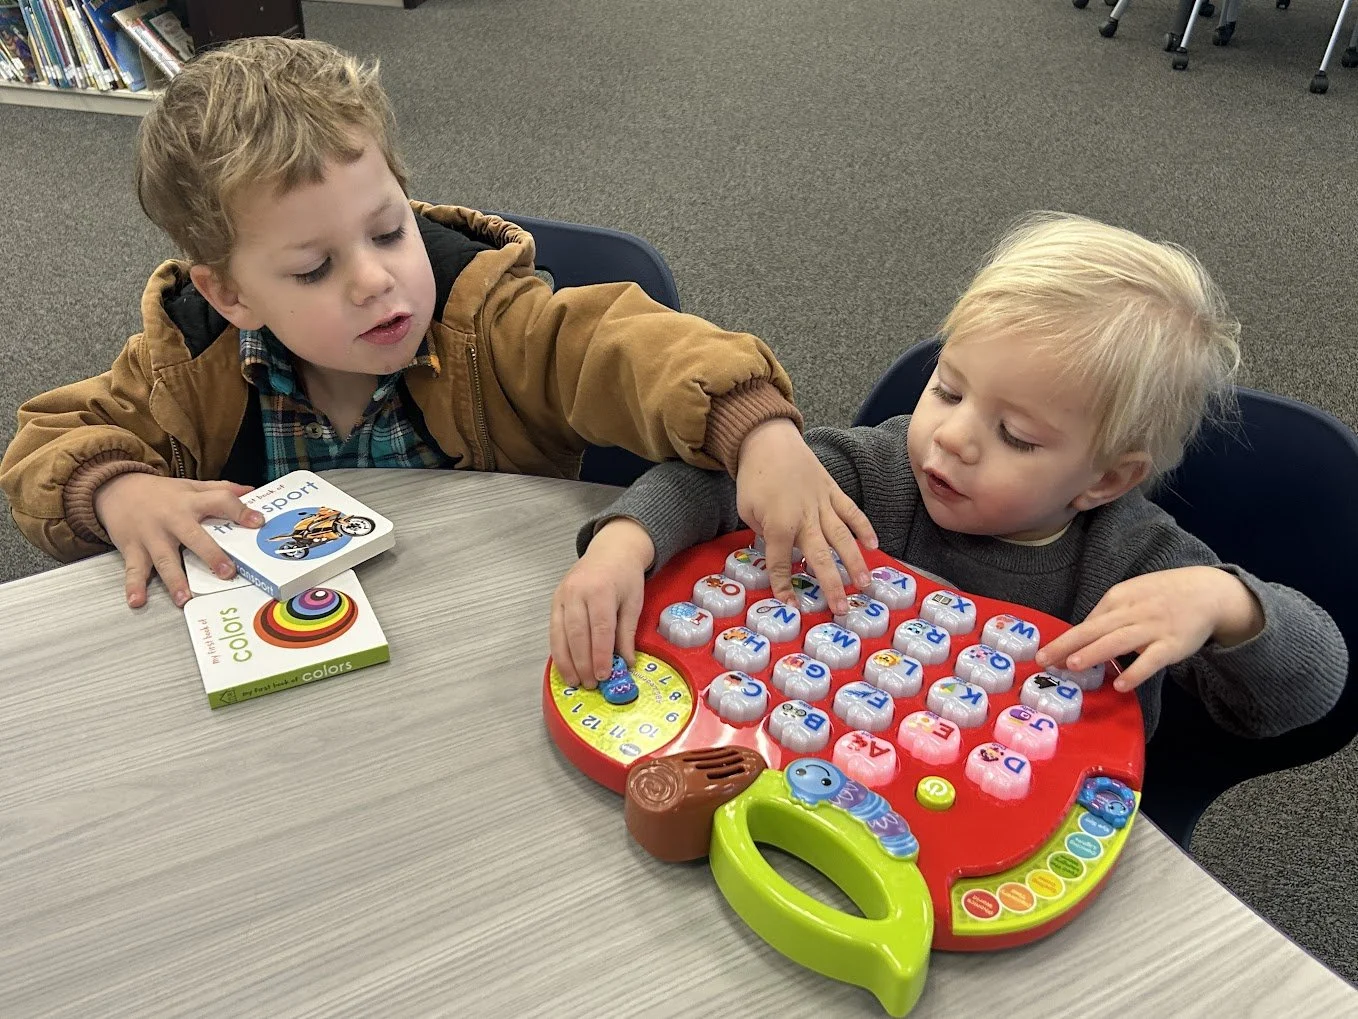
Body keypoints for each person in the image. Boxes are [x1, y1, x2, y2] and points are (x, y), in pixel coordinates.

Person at [0, 36, 874, 635]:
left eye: (387, 232)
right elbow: (46, 442)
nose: (376, 279)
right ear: (230, 294)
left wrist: (755, 428)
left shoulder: (488, 323)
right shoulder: (186, 361)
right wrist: (116, 491)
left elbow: (624, 342)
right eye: (313, 269)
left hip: (494, 632)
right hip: (291, 663)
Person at [554, 212, 1346, 737]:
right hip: (818, 750)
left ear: (1103, 480)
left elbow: (1310, 687)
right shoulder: (882, 469)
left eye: (1015, 435)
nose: (954, 439)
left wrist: (1228, 604)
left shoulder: (1135, 560)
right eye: (949, 388)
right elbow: (717, 485)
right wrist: (625, 543)